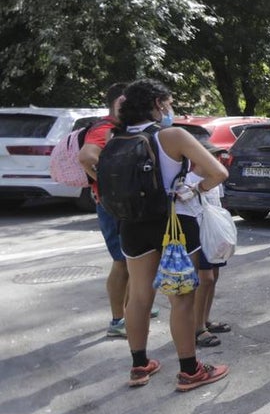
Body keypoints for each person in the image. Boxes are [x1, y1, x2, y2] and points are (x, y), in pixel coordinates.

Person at [111, 79, 229, 391]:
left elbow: (91, 164)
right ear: (159, 103)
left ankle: (139, 366)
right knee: (182, 298)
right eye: (169, 103)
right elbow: (219, 172)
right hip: (174, 223)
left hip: (132, 224)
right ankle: (190, 370)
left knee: (138, 296)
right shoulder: (172, 136)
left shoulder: (116, 137)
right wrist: (193, 189)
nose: (170, 108)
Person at [78, 82, 159, 337]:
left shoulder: (122, 129)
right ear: (120, 103)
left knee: (132, 262)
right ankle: (117, 320)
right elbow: (86, 156)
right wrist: (108, 185)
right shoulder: (105, 128)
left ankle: (132, 306)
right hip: (113, 206)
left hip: (123, 205)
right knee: (122, 262)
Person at [190, 145, 231, 348]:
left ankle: (205, 320)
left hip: (215, 236)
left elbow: (218, 207)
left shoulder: (215, 181)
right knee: (204, 279)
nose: (218, 160)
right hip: (198, 235)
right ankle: (197, 327)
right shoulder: (188, 181)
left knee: (213, 278)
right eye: (213, 156)